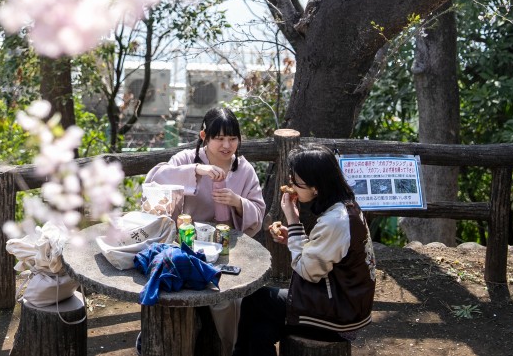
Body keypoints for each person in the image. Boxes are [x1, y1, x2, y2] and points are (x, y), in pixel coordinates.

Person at [142, 107, 265, 355]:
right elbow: (154, 179)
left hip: (223, 247)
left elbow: (258, 212)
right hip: (182, 244)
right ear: (204, 137)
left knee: (228, 296)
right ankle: (150, 342)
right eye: (219, 138)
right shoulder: (188, 159)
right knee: (167, 290)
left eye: (232, 138)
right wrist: (196, 171)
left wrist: (237, 202)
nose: (226, 145)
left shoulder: (244, 169)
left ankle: (231, 349)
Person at [235, 144, 377, 356]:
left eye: (296, 182)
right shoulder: (346, 207)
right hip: (344, 303)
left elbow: (308, 270)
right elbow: (323, 254)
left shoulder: (335, 221)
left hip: (337, 314)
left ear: (316, 187)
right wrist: (293, 237)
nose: (291, 185)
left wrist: (292, 219)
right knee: (261, 332)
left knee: (255, 299)